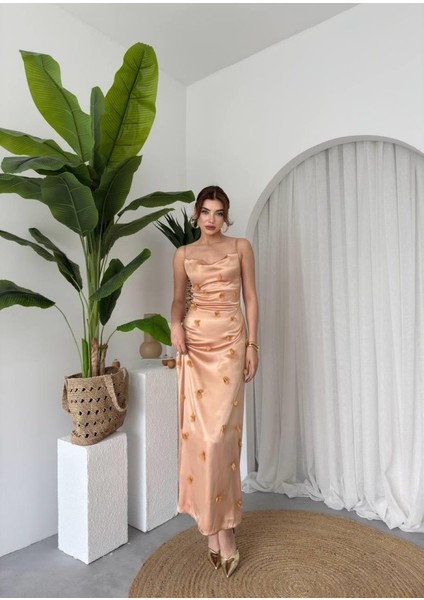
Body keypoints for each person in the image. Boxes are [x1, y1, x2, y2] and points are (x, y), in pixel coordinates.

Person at [171, 185, 259, 578]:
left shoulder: (240, 247)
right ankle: (215, 529)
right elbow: (178, 299)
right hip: (195, 345)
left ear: (226, 216)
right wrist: (175, 324)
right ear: (196, 214)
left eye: (218, 212)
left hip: (230, 345)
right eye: (205, 212)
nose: (211, 219)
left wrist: (253, 344)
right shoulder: (183, 254)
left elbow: (251, 298)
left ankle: (224, 528)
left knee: (222, 437)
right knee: (201, 439)